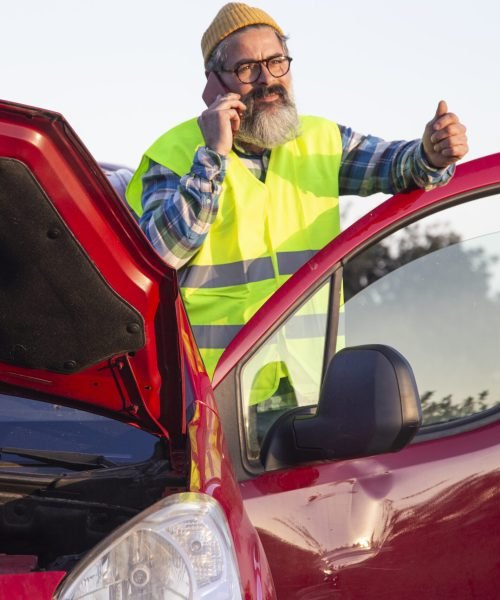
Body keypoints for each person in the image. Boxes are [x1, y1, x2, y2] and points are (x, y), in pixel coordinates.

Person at [126, 2, 468, 381]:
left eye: (276, 62)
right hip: (215, 392)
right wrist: (212, 156)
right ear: (213, 83)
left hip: (314, 385)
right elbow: (158, 258)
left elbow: (399, 166)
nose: (267, 79)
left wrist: (431, 154)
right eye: (246, 68)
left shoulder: (321, 139)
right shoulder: (172, 155)